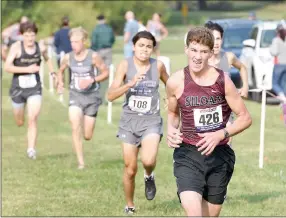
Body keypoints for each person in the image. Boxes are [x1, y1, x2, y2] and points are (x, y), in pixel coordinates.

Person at [166, 27, 252, 217]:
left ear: (211, 53)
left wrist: (220, 134)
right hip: (188, 153)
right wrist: (170, 130)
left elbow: (245, 118)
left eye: (204, 51)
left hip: (219, 156)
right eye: (194, 50)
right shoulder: (175, 82)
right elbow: (173, 114)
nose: (198, 56)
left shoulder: (223, 81)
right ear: (186, 50)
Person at [107, 31, 169, 214]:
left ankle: (149, 175)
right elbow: (110, 95)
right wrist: (129, 84)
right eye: (141, 45)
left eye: (149, 46)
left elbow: (171, 83)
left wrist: (169, 98)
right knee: (130, 169)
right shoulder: (125, 65)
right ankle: (130, 205)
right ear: (133, 46)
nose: (145, 49)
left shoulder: (158, 66)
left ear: (152, 49)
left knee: (148, 160)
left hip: (151, 120)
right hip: (129, 122)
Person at [56, 27, 109, 169]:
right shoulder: (68, 57)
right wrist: (60, 82)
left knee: (87, 135)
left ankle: (86, 138)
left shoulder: (93, 56)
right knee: (75, 127)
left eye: (76, 42)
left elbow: (106, 73)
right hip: (75, 95)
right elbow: (60, 71)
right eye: (71, 42)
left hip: (91, 97)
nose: (73, 45)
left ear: (84, 42)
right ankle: (81, 163)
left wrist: (92, 80)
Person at [4, 21, 55, 159]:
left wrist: (52, 73)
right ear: (22, 35)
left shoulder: (40, 47)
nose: (30, 38)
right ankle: (21, 120)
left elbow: (48, 59)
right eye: (27, 35)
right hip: (18, 89)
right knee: (20, 122)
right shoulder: (16, 48)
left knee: (32, 118)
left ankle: (31, 149)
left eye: (32, 35)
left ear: (35, 35)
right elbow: (7, 67)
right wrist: (27, 69)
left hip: (34, 88)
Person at [204, 21, 249, 145]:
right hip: (204, 113)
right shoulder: (201, 59)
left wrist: (245, 86)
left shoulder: (228, 57)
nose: (216, 42)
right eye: (213, 38)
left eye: (218, 38)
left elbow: (243, 68)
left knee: (225, 149)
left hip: (225, 112)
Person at [91, 14, 115, 103]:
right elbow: (113, 39)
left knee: (98, 73)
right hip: (108, 50)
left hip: (99, 51)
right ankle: (106, 95)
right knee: (107, 73)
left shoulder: (96, 29)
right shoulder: (109, 28)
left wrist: (94, 50)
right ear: (104, 20)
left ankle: (98, 96)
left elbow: (93, 41)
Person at [269, 21, 286, 103]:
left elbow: (274, 52)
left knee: (275, 84)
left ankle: (282, 97)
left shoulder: (276, 40)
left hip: (278, 64)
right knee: (283, 83)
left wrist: (270, 48)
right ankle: (284, 100)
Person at [54, 16, 72, 85]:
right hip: (70, 53)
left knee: (61, 69)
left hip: (60, 53)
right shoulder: (71, 32)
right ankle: (70, 82)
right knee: (71, 70)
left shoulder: (58, 33)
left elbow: (55, 43)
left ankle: (61, 82)